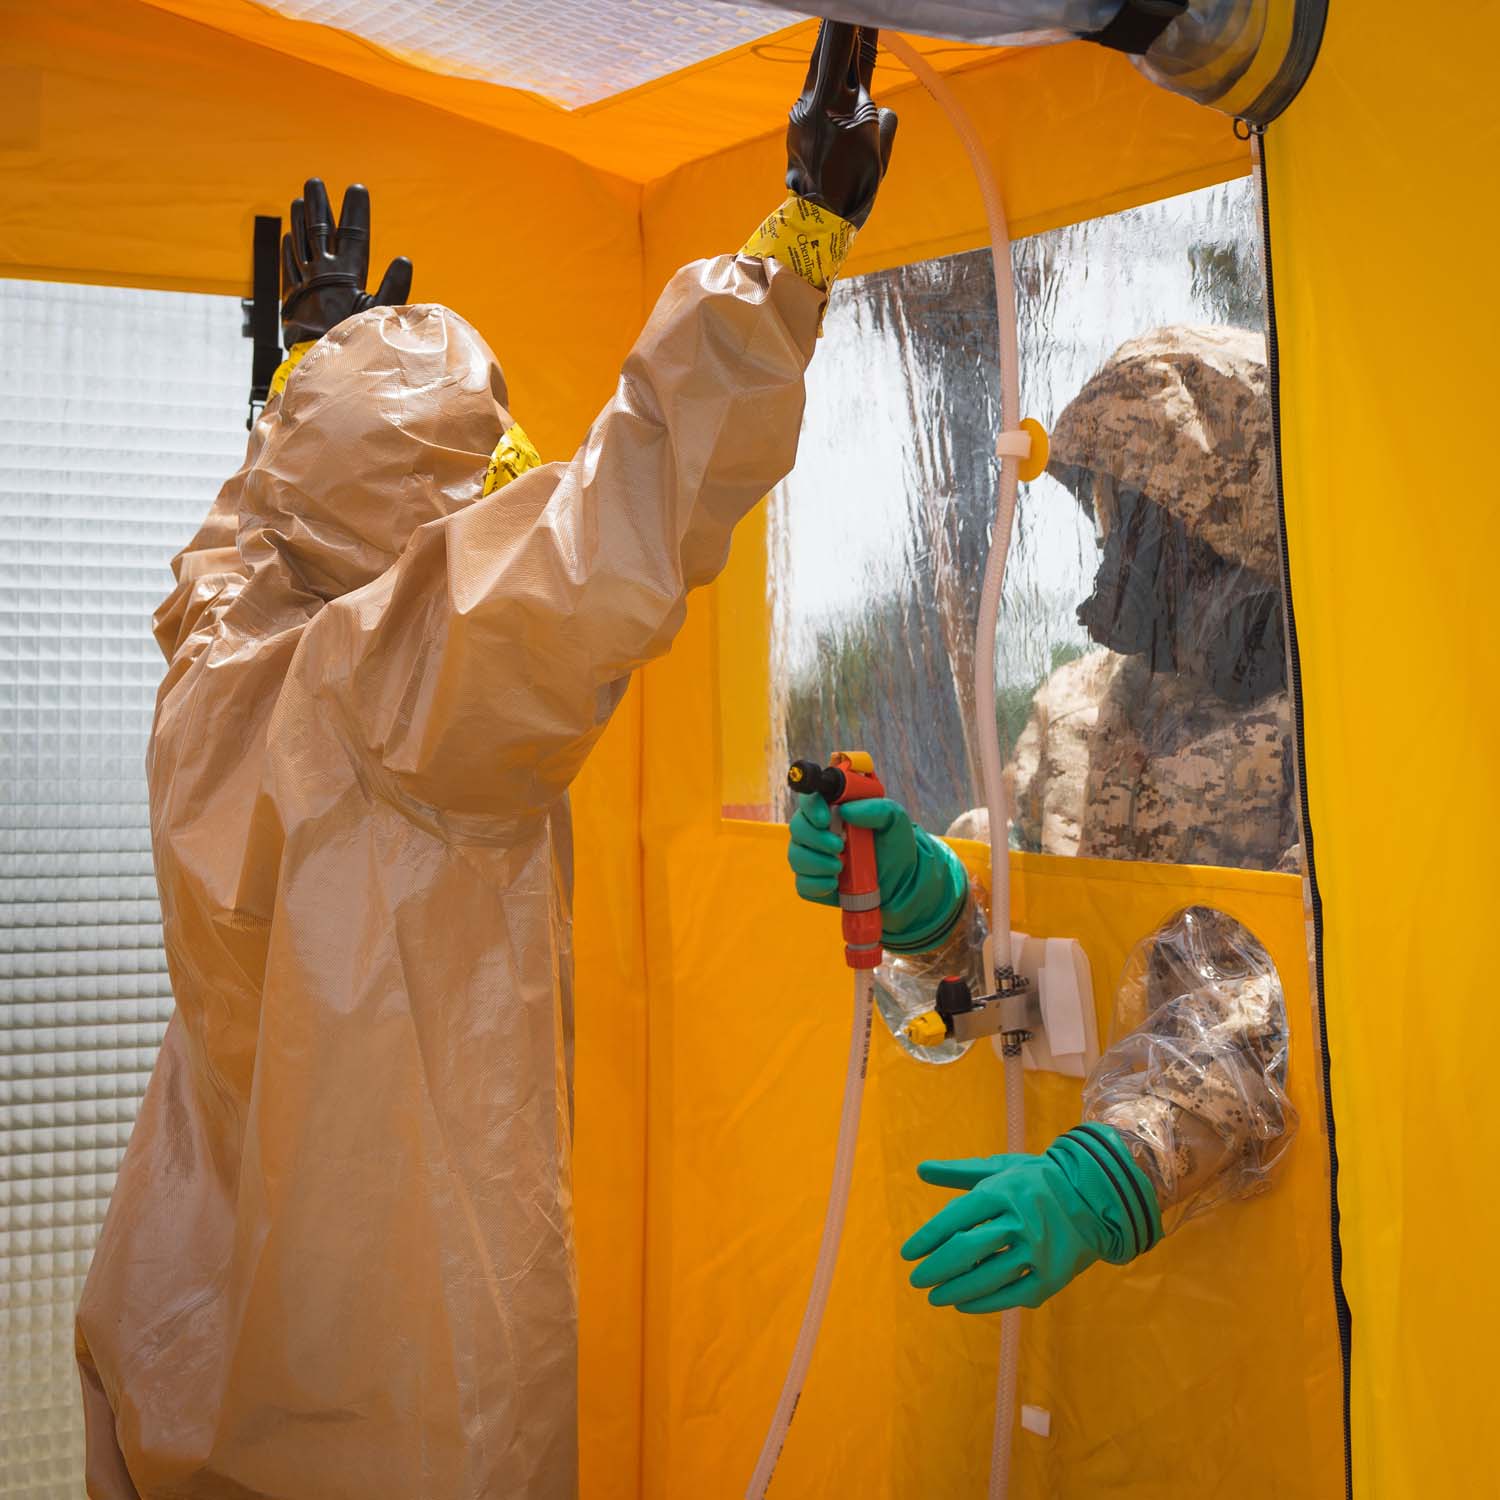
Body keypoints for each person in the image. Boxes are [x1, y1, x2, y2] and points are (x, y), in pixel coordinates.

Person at [75, 23, 896, 1500]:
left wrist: (293, 397)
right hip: (395, 1395)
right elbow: (631, 504)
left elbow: (242, 550)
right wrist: (798, 244)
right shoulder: (422, 696)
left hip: (184, 1331)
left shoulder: (215, 673)